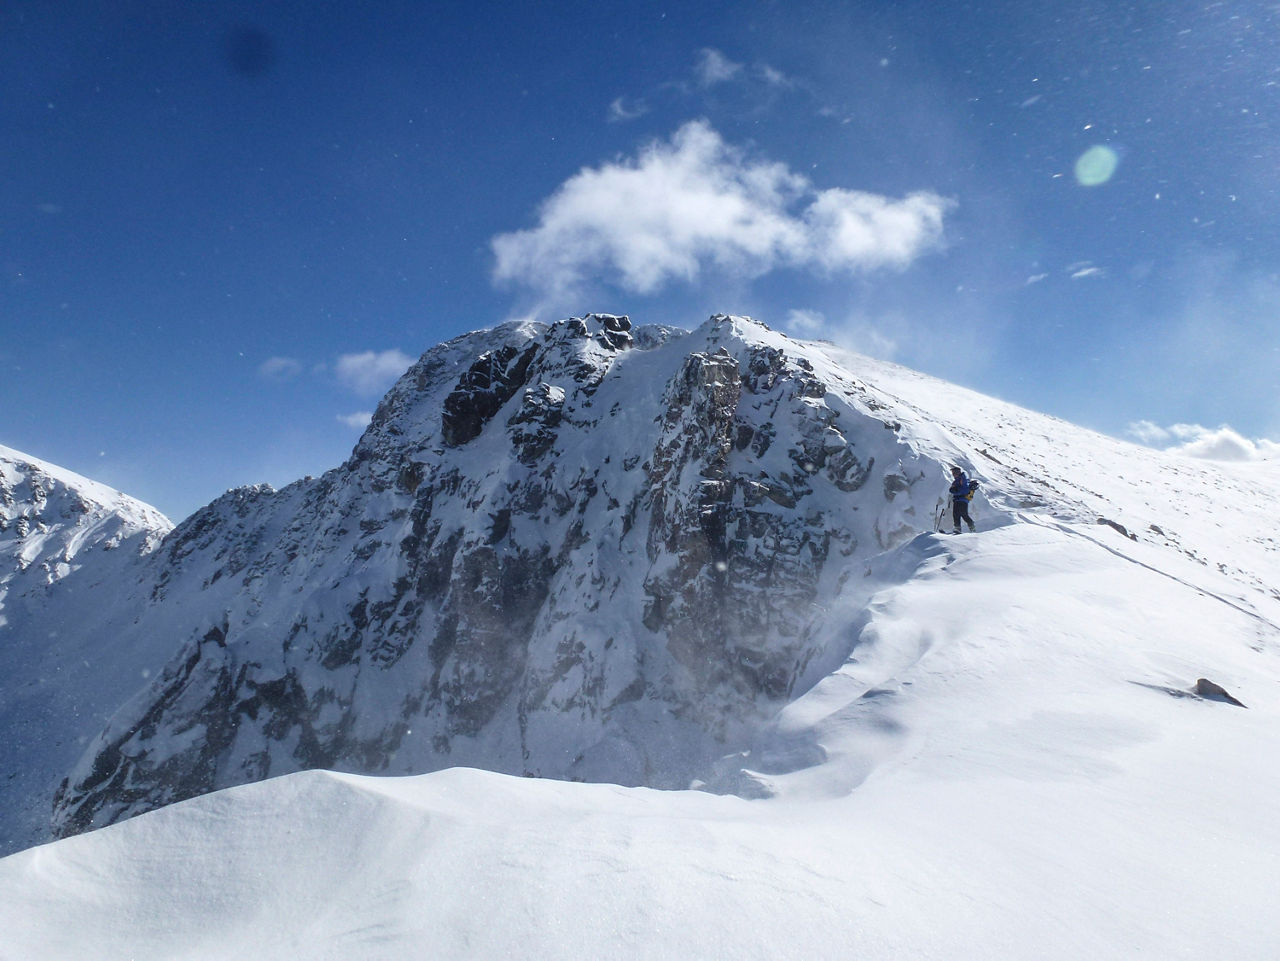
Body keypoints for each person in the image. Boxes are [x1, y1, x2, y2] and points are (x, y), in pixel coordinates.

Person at [948, 466, 976, 534]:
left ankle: (972, 527)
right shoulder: (957, 480)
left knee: (963, 514)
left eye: (954, 473)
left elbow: (965, 490)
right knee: (956, 514)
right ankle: (957, 529)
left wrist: (955, 491)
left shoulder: (962, 479)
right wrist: (953, 490)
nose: (953, 474)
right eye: (953, 473)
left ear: (958, 472)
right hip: (957, 499)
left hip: (962, 499)